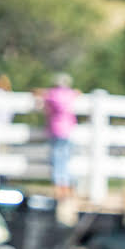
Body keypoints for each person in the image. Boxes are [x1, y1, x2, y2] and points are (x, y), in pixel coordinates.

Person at [36, 73, 79, 202]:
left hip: (55, 130)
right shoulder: (69, 94)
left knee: (57, 159)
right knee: (65, 159)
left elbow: (41, 97)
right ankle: (65, 188)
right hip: (67, 130)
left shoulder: (52, 94)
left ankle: (58, 188)